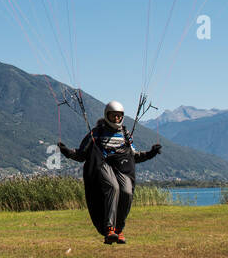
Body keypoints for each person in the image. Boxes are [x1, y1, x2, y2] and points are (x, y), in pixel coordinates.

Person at [58, 100, 162, 244]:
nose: (116, 119)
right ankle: (109, 229)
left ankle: (119, 229)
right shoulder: (96, 133)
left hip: (122, 167)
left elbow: (133, 156)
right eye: (113, 116)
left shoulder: (125, 134)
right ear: (107, 115)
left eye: (119, 116)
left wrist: (151, 153)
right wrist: (67, 152)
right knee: (113, 187)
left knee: (126, 191)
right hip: (102, 165)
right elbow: (82, 154)